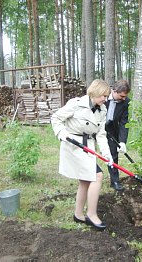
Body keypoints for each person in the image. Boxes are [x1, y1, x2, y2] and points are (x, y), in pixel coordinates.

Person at [51, 79, 113, 231]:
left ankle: (78, 215)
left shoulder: (102, 110)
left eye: (106, 96)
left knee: (85, 180)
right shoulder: (76, 104)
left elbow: (101, 134)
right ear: (95, 93)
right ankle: (91, 214)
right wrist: (62, 134)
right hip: (73, 145)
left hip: (87, 146)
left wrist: (107, 154)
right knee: (97, 176)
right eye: (103, 96)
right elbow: (56, 118)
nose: (105, 99)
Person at [105, 79, 131, 191]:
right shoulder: (102, 96)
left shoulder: (125, 102)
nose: (124, 99)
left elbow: (124, 122)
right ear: (114, 91)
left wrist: (122, 141)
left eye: (125, 96)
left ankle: (115, 180)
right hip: (94, 126)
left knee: (113, 154)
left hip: (111, 128)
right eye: (121, 96)